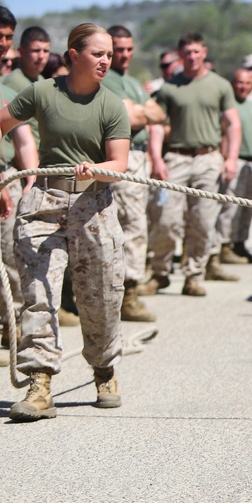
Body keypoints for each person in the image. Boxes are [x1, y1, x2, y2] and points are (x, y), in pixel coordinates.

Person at [0, 22, 131, 421]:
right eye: (97, 54)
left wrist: (98, 169)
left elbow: (119, 164)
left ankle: (104, 370)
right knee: (38, 291)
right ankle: (39, 384)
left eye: (108, 54)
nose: (105, 60)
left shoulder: (112, 105)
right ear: (74, 55)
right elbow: (1, 123)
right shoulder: (42, 92)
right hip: (43, 201)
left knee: (101, 296)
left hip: (94, 204)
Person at [144, 32, 241, 297]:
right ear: (180, 55)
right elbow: (156, 125)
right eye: (187, 52)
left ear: (204, 52)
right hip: (176, 157)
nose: (192, 57)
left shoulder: (220, 85)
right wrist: (156, 158)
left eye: (197, 51)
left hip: (209, 158)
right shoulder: (169, 88)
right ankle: (160, 273)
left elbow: (232, 123)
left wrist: (231, 157)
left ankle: (194, 275)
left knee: (202, 220)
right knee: (165, 218)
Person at [101, 25, 166, 321]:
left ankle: (129, 291)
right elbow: (133, 116)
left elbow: (158, 114)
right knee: (130, 226)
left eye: (129, 49)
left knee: (137, 225)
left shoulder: (131, 82)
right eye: (119, 49)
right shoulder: (107, 79)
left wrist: (140, 109)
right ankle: (127, 294)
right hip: (121, 158)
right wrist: (140, 110)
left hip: (139, 157)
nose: (124, 55)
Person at [0, 5, 38, 368]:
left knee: (8, 257)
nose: (2, 44)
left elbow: (17, 133)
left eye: (7, 37)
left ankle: (13, 330)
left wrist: (22, 177)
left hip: (1, 176)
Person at [214, 67, 252, 264]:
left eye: (247, 83)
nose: (243, 86)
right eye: (239, 82)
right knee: (229, 207)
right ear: (232, 83)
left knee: (248, 206)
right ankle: (224, 246)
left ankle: (240, 243)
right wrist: (225, 159)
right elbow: (220, 133)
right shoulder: (227, 106)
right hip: (233, 161)